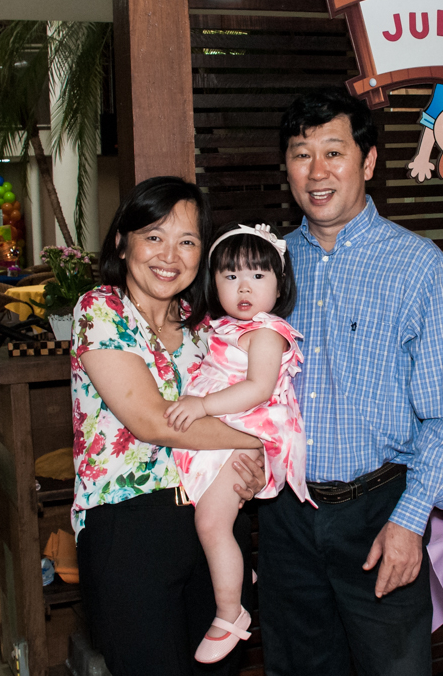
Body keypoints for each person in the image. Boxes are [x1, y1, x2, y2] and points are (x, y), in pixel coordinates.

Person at [259, 88, 443, 675]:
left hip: (380, 512)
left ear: (369, 161)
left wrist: (409, 521)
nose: (317, 172)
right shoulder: (267, 266)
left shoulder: (419, 266)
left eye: (334, 152)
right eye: (302, 155)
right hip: (286, 515)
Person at [72, 177, 267, 676]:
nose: (169, 256)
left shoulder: (206, 326)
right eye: (154, 236)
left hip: (214, 524)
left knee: (221, 670)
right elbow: (152, 421)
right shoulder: (101, 310)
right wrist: (264, 440)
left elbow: (247, 407)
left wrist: (257, 465)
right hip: (130, 529)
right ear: (123, 242)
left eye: (187, 241)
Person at [165, 222, 310, 664]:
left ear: (279, 285)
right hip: (227, 428)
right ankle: (234, 571)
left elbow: (258, 388)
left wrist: (203, 405)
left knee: (211, 523)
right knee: (208, 518)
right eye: (230, 276)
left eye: (257, 275)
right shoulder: (223, 327)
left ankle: (231, 613)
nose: (243, 286)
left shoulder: (267, 332)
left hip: (251, 430)